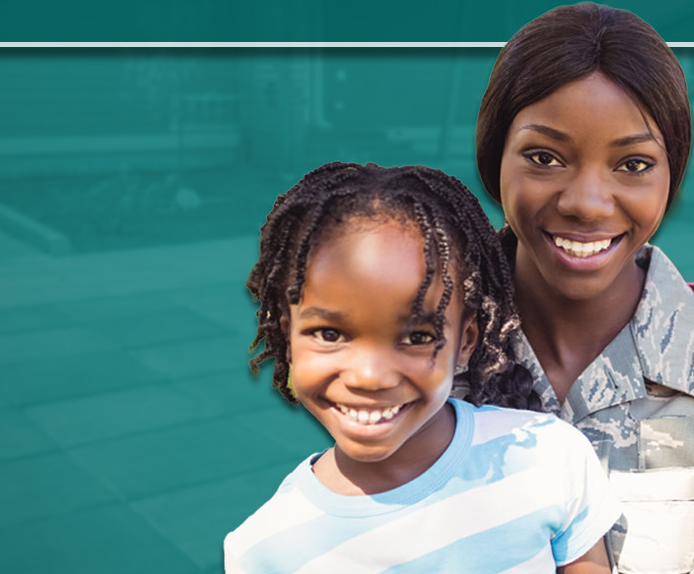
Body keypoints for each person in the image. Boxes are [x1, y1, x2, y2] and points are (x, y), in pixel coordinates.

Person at [474, 2, 694, 574]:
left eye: (632, 164)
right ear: (494, 160)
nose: (585, 202)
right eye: (544, 157)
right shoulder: (426, 347)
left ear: (670, 178)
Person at [226, 162, 619, 574]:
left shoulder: (551, 457)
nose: (369, 376)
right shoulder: (264, 550)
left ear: (465, 343)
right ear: (288, 337)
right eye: (329, 334)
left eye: (416, 338)